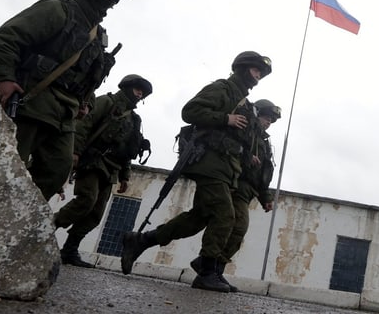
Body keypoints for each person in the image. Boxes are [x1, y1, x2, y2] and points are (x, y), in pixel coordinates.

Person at [120, 51, 273, 293]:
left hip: (226, 168)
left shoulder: (246, 104)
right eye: (256, 70)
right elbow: (190, 111)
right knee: (225, 215)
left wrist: (247, 155)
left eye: (260, 73)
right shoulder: (223, 89)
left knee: (198, 218)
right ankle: (208, 272)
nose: (258, 76)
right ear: (243, 69)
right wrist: (226, 118)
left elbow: (237, 139)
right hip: (209, 163)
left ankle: (141, 240)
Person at [0, 0, 128, 200]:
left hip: (65, 116)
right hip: (30, 102)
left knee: (57, 171)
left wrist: (86, 103)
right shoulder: (57, 10)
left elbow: (88, 79)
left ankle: (21, 213)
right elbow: (5, 38)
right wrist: (5, 78)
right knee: (6, 168)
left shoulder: (98, 36)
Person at [54, 75, 152, 267]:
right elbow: (84, 126)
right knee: (86, 200)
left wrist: (125, 175)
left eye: (142, 92)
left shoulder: (134, 119)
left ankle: (69, 249)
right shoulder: (107, 102)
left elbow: (128, 150)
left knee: (96, 214)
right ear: (127, 87)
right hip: (92, 160)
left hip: (111, 168)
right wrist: (75, 152)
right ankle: (48, 225)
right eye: (137, 89)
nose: (139, 94)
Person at [190, 98, 281, 292]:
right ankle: (208, 268)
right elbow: (231, 150)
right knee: (236, 225)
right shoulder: (246, 130)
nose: (268, 122)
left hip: (247, 191)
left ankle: (214, 269)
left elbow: (262, 174)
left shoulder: (262, 142)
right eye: (267, 117)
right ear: (258, 113)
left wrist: (266, 198)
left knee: (235, 229)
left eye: (272, 120)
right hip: (235, 185)